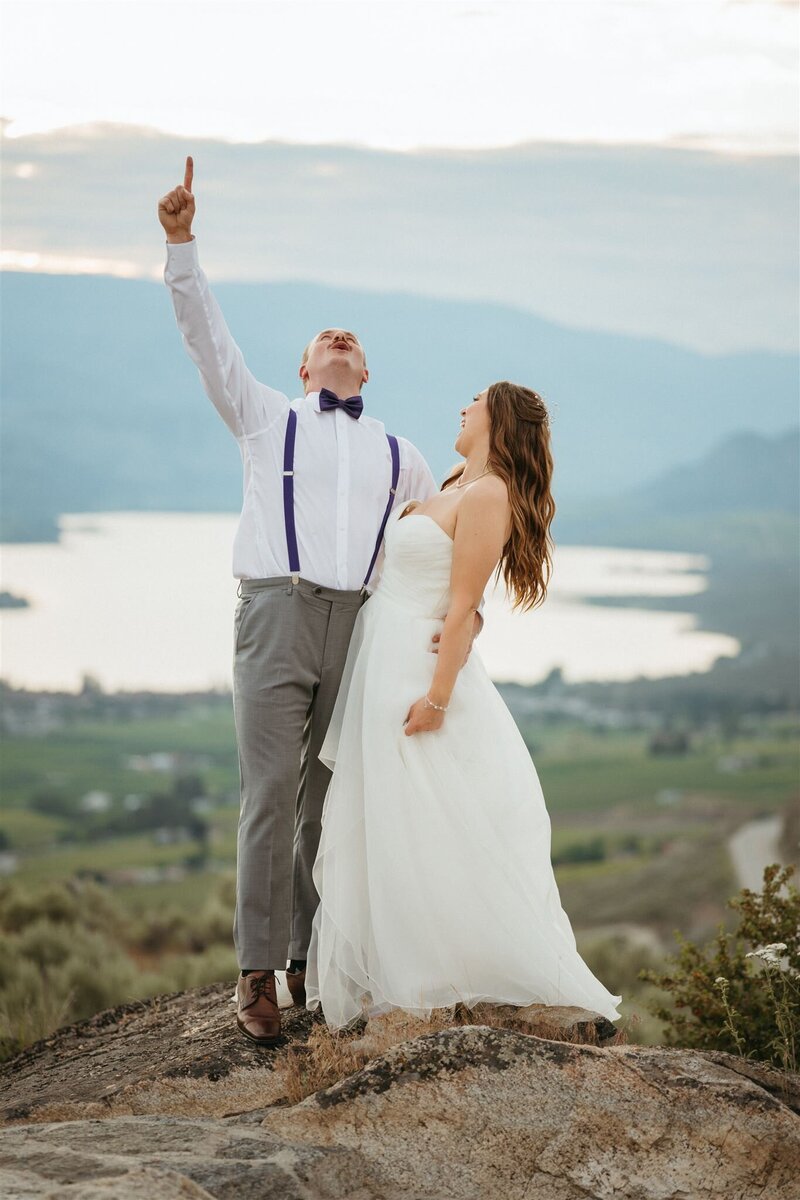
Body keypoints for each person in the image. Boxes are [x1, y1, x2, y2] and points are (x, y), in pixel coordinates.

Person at [157, 156, 483, 1045]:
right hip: (277, 612)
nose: (339, 336)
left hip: (362, 631)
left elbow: (452, 523)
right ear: (304, 367)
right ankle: (257, 974)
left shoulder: (403, 454)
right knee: (268, 793)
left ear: (364, 367)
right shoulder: (266, 418)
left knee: (328, 803)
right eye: (324, 337)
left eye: (351, 336)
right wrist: (183, 245)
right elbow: (208, 344)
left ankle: (315, 959)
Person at [304, 380, 624, 1029]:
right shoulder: (455, 478)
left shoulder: (488, 495)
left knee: (418, 819)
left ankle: (423, 972)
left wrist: (438, 700)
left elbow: (461, 605)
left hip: (416, 678)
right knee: (389, 816)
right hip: (384, 658)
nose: (461, 405)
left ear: (497, 417)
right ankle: (395, 963)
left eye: (473, 400)